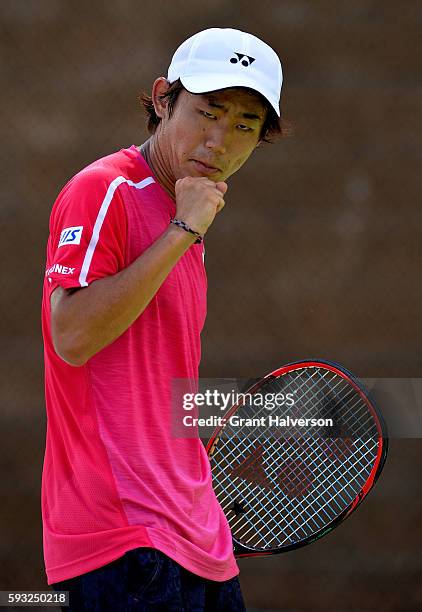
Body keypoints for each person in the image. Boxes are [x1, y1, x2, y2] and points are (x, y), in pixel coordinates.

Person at [41, 27, 284, 611]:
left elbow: (138, 376)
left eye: (245, 125)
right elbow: (71, 337)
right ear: (161, 99)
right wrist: (184, 229)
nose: (220, 140)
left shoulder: (186, 228)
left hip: (201, 540)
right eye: (208, 112)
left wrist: (207, 409)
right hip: (122, 539)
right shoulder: (108, 190)